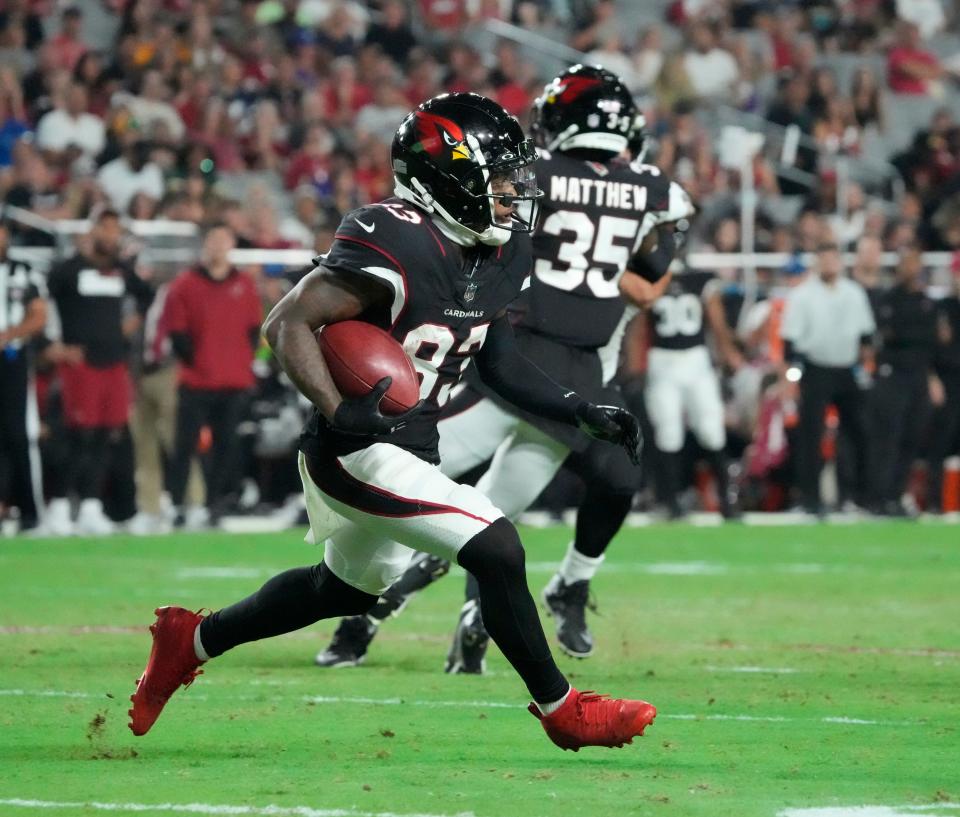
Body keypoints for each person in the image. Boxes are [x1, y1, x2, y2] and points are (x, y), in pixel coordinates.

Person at [129, 92, 654, 752]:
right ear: (449, 178)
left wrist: (579, 409)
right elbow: (286, 322)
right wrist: (337, 406)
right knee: (496, 543)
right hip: (353, 445)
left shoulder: (503, 251)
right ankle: (563, 708)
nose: (511, 194)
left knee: (341, 588)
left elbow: (498, 360)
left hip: (412, 444)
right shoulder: (396, 236)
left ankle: (192, 639)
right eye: (496, 180)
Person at [316, 65, 678, 670]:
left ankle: (396, 625)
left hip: (520, 364)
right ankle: (526, 600)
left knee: (469, 519)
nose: (515, 189)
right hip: (519, 362)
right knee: (456, 508)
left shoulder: (539, 188)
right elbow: (651, 280)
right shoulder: (652, 188)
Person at [44, 209, 153, 535]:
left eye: (116, 230)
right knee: (77, 436)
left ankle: (91, 505)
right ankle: (60, 505)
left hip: (113, 363)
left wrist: (129, 325)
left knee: (106, 436)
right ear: (92, 231)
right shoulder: (67, 271)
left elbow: (146, 296)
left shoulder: (121, 271)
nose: (111, 236)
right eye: (105, 229)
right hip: (81, 365)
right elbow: (42, 303)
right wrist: (54, 345)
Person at [643, 212, 745, 520]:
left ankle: (691, 502)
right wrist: (729, 354)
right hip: (673, 359)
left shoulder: (663, 276)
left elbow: (716, 323)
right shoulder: (661, 276)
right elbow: (717, 324)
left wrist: (729, 354)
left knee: (704, 430)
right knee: (672, 431)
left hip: (687, 359)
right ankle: (675, 501)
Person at [162, 223, 261, 525]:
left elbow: (254, 330)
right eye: (213, 239)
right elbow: (176, 331)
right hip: (196, 381)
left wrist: (242, 363)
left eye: (223, 239)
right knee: (184, 444)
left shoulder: (244, 285)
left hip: (233, 382)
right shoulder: (184, 284)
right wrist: (197, 362)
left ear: (231, 243)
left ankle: (213, 503)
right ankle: (176, 503)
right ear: (205, 244)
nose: (218, 245)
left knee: (226, 446)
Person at [780, 236, 875, 515]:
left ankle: (854, 496)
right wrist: (790, 377)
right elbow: (790, 342)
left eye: (834, 258)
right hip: (815, 369)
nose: (830, 263)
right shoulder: (802, 295)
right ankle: (810, 499)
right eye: (825, 258)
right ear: (817, 262)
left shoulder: (853, 293)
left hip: (847, 368)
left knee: (857, 434)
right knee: (811, 435)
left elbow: (866, 337)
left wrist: (865, 370)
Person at [868, 244, 939, 516]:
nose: (911, 267)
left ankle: (896, 496)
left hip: (919, 377)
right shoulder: (889, 299)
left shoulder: (926, 301)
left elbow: (931, 341)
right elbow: (892, 335)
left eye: (915, 262)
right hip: (892, 376)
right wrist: (916, 335)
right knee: (888, 438)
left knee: (911, 439)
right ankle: (878, 497)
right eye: (906, 262)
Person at [0, 218, 47, 531]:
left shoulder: (24, 272)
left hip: (11, 360)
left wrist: (7, 336)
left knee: (17, 434)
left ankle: (28, 510)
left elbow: (39, 315)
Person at [926, 260, 960, 513]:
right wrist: (931, 378)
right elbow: (926, 349)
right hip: (947, 382)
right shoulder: (941, 309)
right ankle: (934, 502)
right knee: (939, 444)